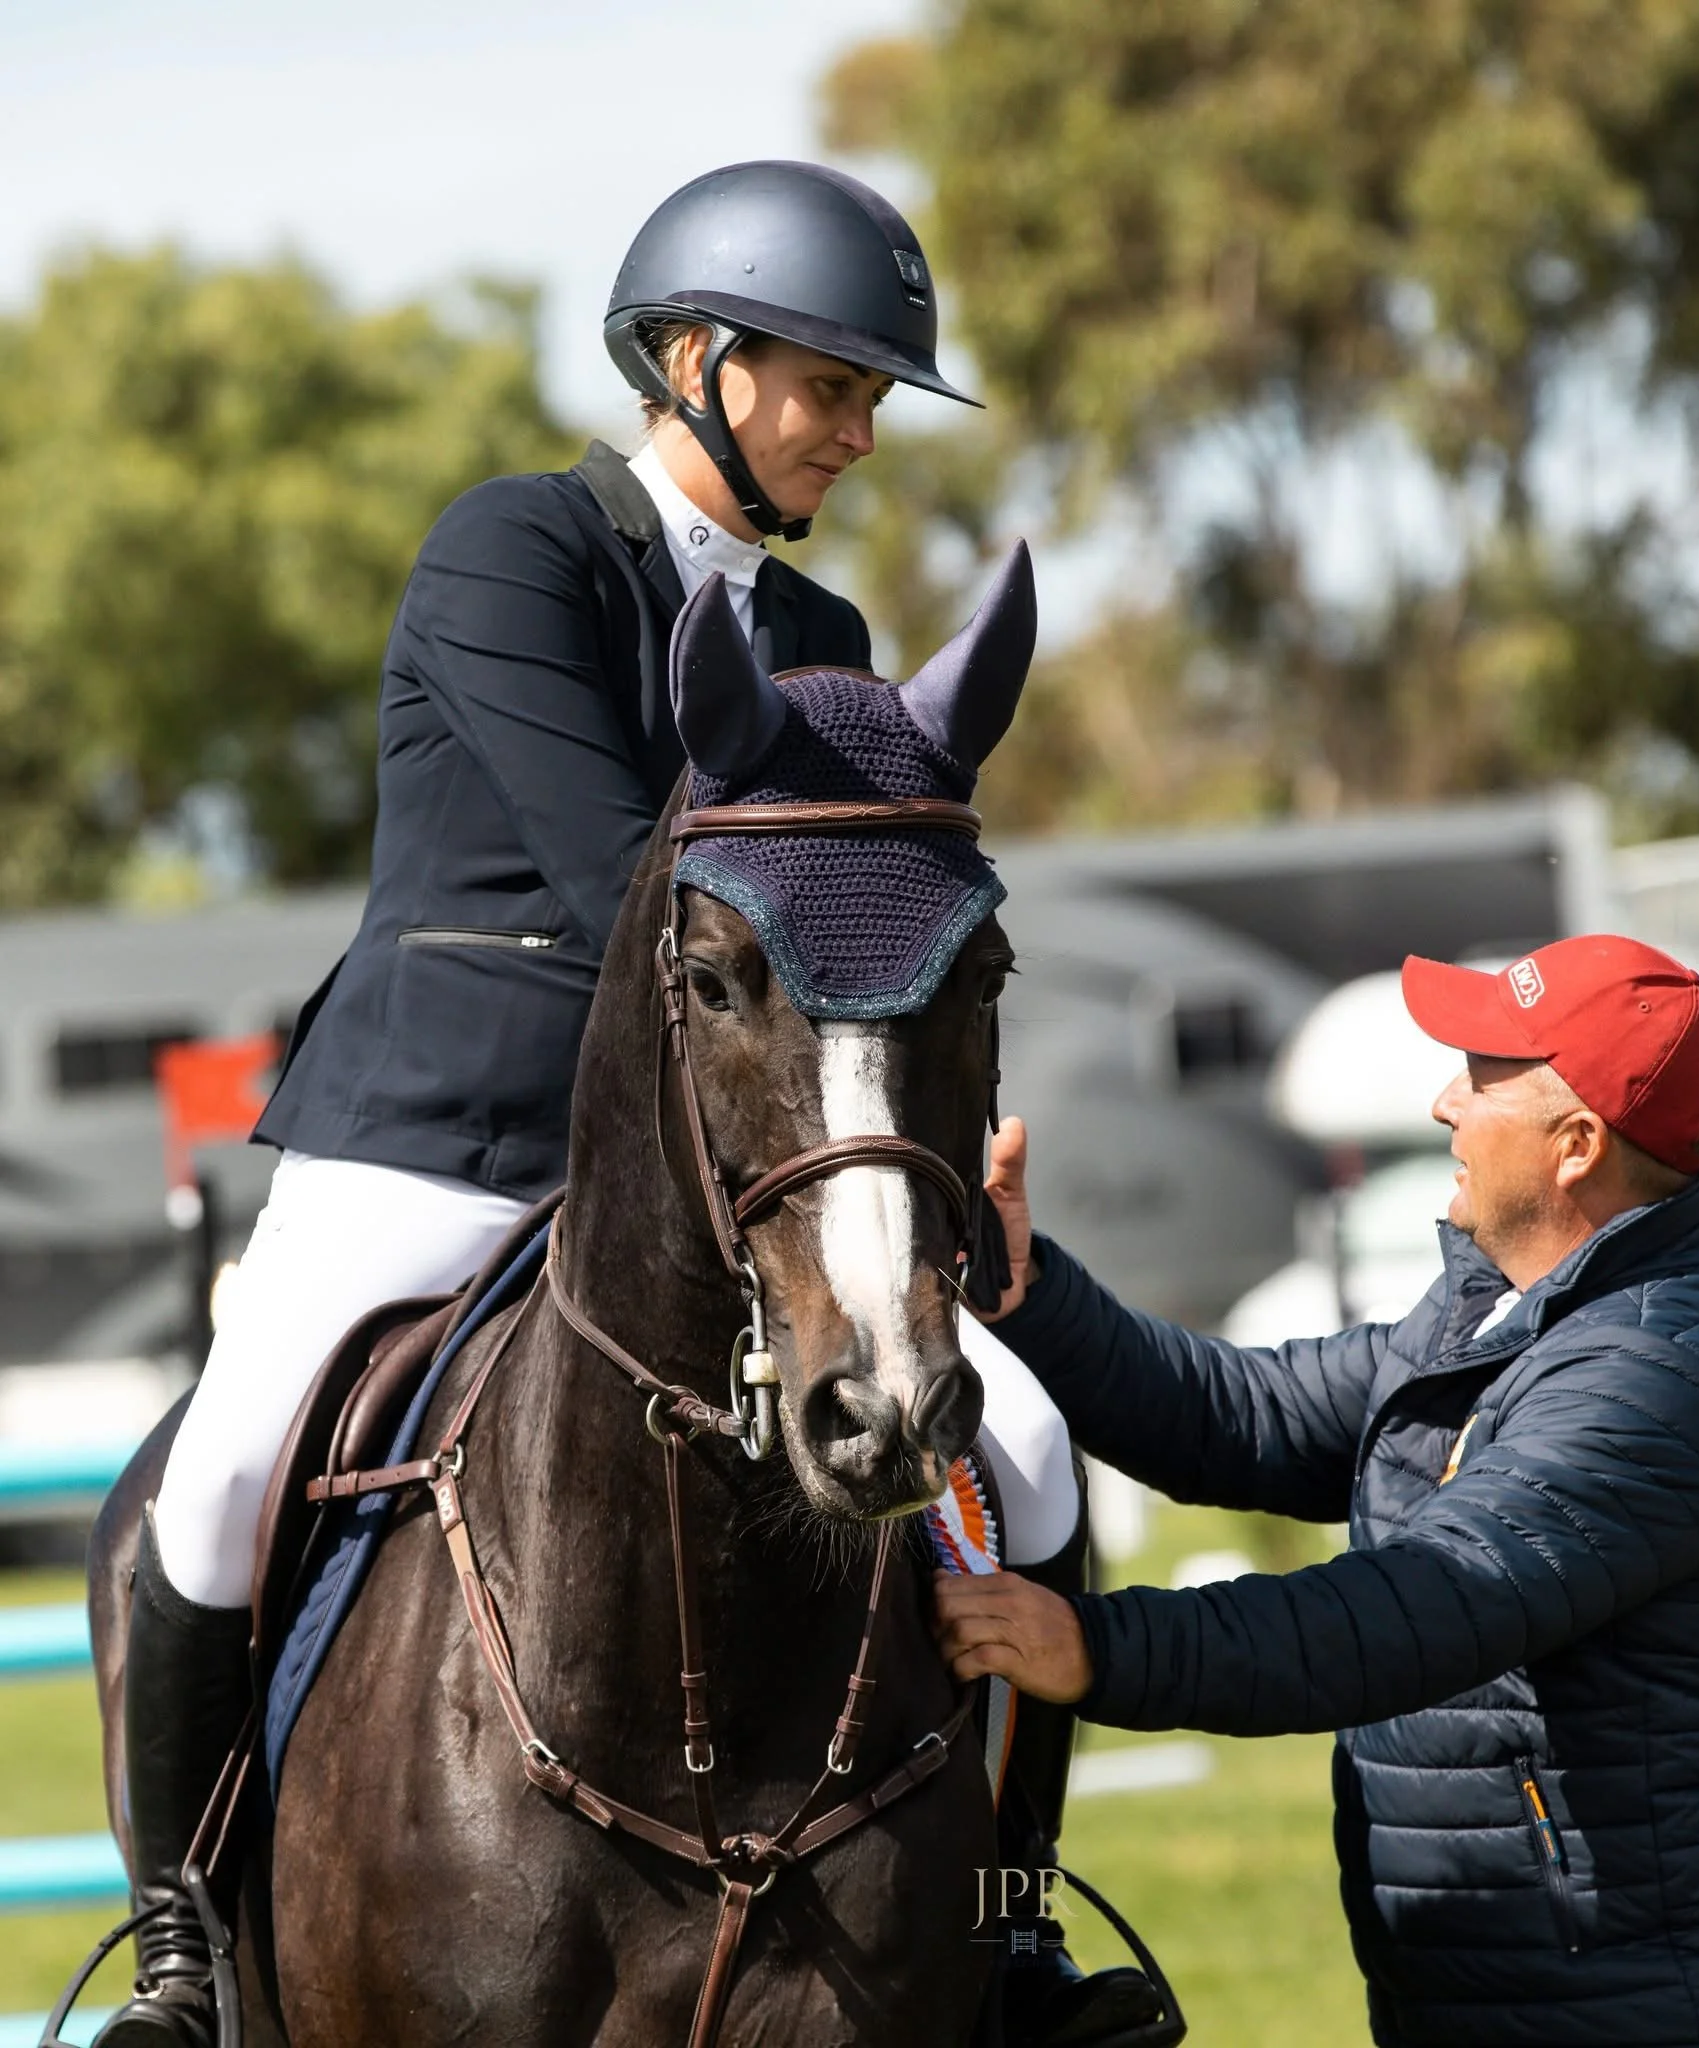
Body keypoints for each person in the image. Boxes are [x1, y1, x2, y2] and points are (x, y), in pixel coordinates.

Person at [106, 161, 1151, 2048]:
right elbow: (625, 893)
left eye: (867, 398)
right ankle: (185, 1945)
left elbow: (845, 951)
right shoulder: (511, 550)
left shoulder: (822, 638)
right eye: (823, 385)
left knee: (1039, 1459)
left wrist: (897, 1145)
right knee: (226, 1465)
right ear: (691, 362)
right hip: (443, 1135)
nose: (854, 430)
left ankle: (1011, 1929)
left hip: (735, 1167)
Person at [937, 935, 1699, 2047]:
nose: (1440, 1103)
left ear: (1574, 1146)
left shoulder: (1648, 1376)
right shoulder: (1497, 1306)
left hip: (1654, 2016)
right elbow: (1250, 1417)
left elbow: (1407, 1610)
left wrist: (1097, 1646)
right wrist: (1032, 1296)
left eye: (1480, 1079)